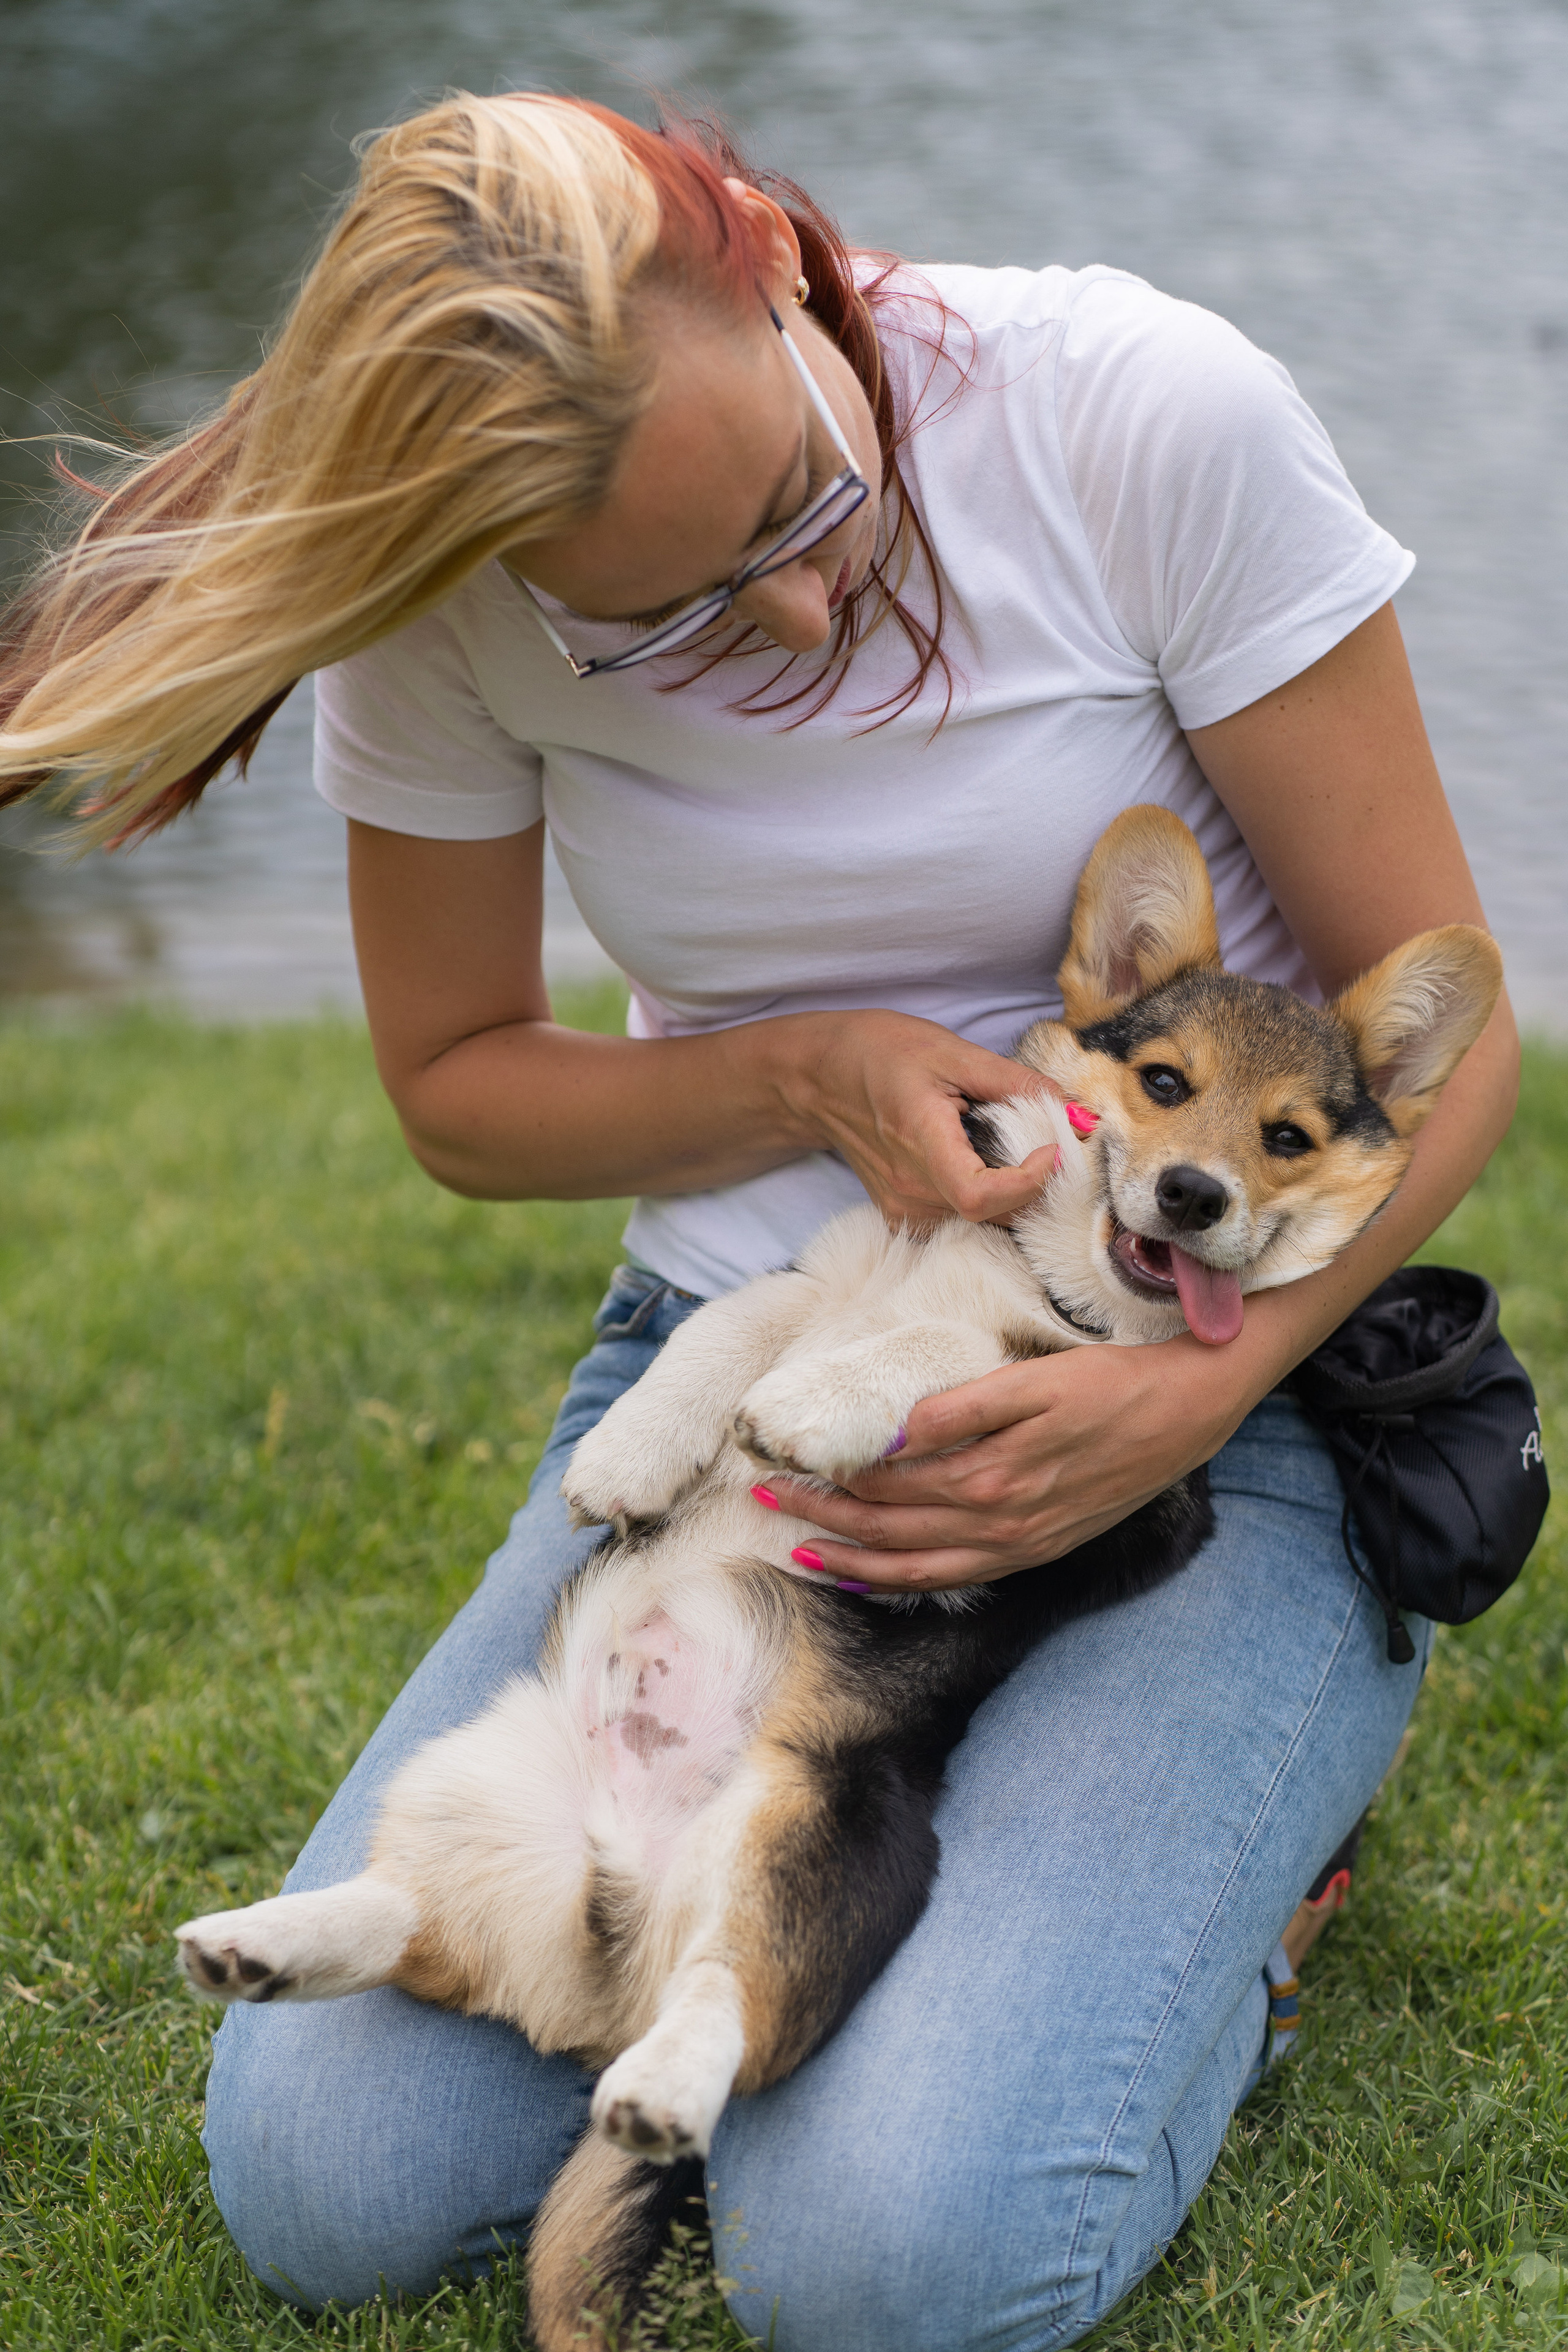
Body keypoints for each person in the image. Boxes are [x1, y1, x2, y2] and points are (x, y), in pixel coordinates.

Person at [0, 93, 1517, 2351]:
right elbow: (455, 1089)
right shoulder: (455, 593)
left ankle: (1245, 1895)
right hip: (749, 1384)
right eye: (675, 621)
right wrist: (801, 1072)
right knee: (323, 2182)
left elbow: (1449, 1042)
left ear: (771, 258)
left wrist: (1185, 1396)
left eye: (805, 509)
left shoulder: (1139, 416)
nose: (803, 607)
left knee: (895, 2262)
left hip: (1209, 1396)